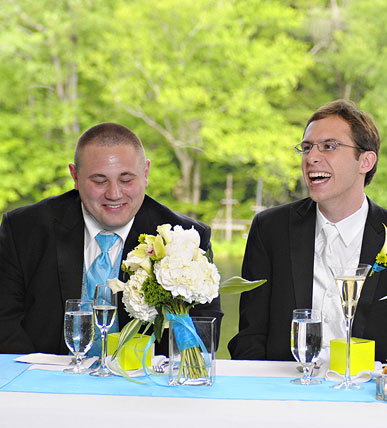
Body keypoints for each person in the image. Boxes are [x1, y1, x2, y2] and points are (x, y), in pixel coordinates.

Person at [228, 100, 387, 365]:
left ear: (365, 161)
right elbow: (250, 338)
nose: (311, 158)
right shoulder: (270, 229)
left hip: (369, 388)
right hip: (285, 385)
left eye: (329, 146)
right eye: (306, 148)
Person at [0, 122, 222, 354]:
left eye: (126, 180)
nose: (114, 194)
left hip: (143, 375)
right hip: (45, 373)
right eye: (99, 181)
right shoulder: (23, 229)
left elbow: (202, 339)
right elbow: (4, 325)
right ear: (75, 176)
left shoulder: (184, 238)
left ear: (146, 173)